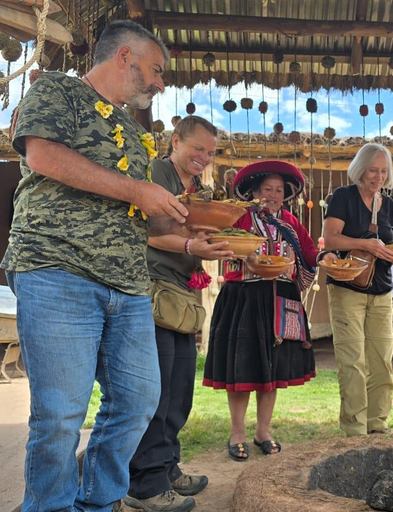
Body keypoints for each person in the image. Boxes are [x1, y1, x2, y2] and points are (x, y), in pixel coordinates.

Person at [2, 20, 190, 512]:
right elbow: (43, 156)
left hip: (127, 284)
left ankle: (98, 503)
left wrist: (194, 238)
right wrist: (141, 191)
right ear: (124, 56)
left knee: (137, 402)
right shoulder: (58, 90)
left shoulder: (133, 130)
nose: (160, 83)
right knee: (61, 415)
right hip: (56, 268)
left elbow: (128, 212)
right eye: (155, 70)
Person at [126, 116, 233, 512]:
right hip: (154, 289)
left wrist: (220, 244)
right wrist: (193, 247)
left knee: (180, 389)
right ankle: (146, 485)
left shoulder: (199, 190)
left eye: (211, 152)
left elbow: (196, 237)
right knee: (158, 390)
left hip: (181, 295)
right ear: (175, 141)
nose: (203, 158)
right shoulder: (157, 172)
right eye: (198, 149)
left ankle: (167, 467)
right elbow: (150, 233)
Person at [203, 160, 335, 461]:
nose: (273, 195)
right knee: (243, 366)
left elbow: (308, 251)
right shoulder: (238, 218)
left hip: (279, 297)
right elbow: (220, 241)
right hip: (244, 297)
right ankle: (237, 432)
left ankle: (263, 430)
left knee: (271, 368)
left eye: (278, 190)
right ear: (254, 191)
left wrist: (324, 255)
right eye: (267, 189)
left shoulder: (289, 221)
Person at [322, 143, 393, 437]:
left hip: (381, 291)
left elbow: (389, 246)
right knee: (352, 361)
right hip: (346, 288)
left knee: (382, 360)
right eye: (372, 170)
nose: (378, 176)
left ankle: (377, 426)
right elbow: (329, 239)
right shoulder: (343, 197)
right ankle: (354, 432)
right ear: (360, 169)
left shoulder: (389, 205)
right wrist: (366, 243)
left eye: (383, 171)